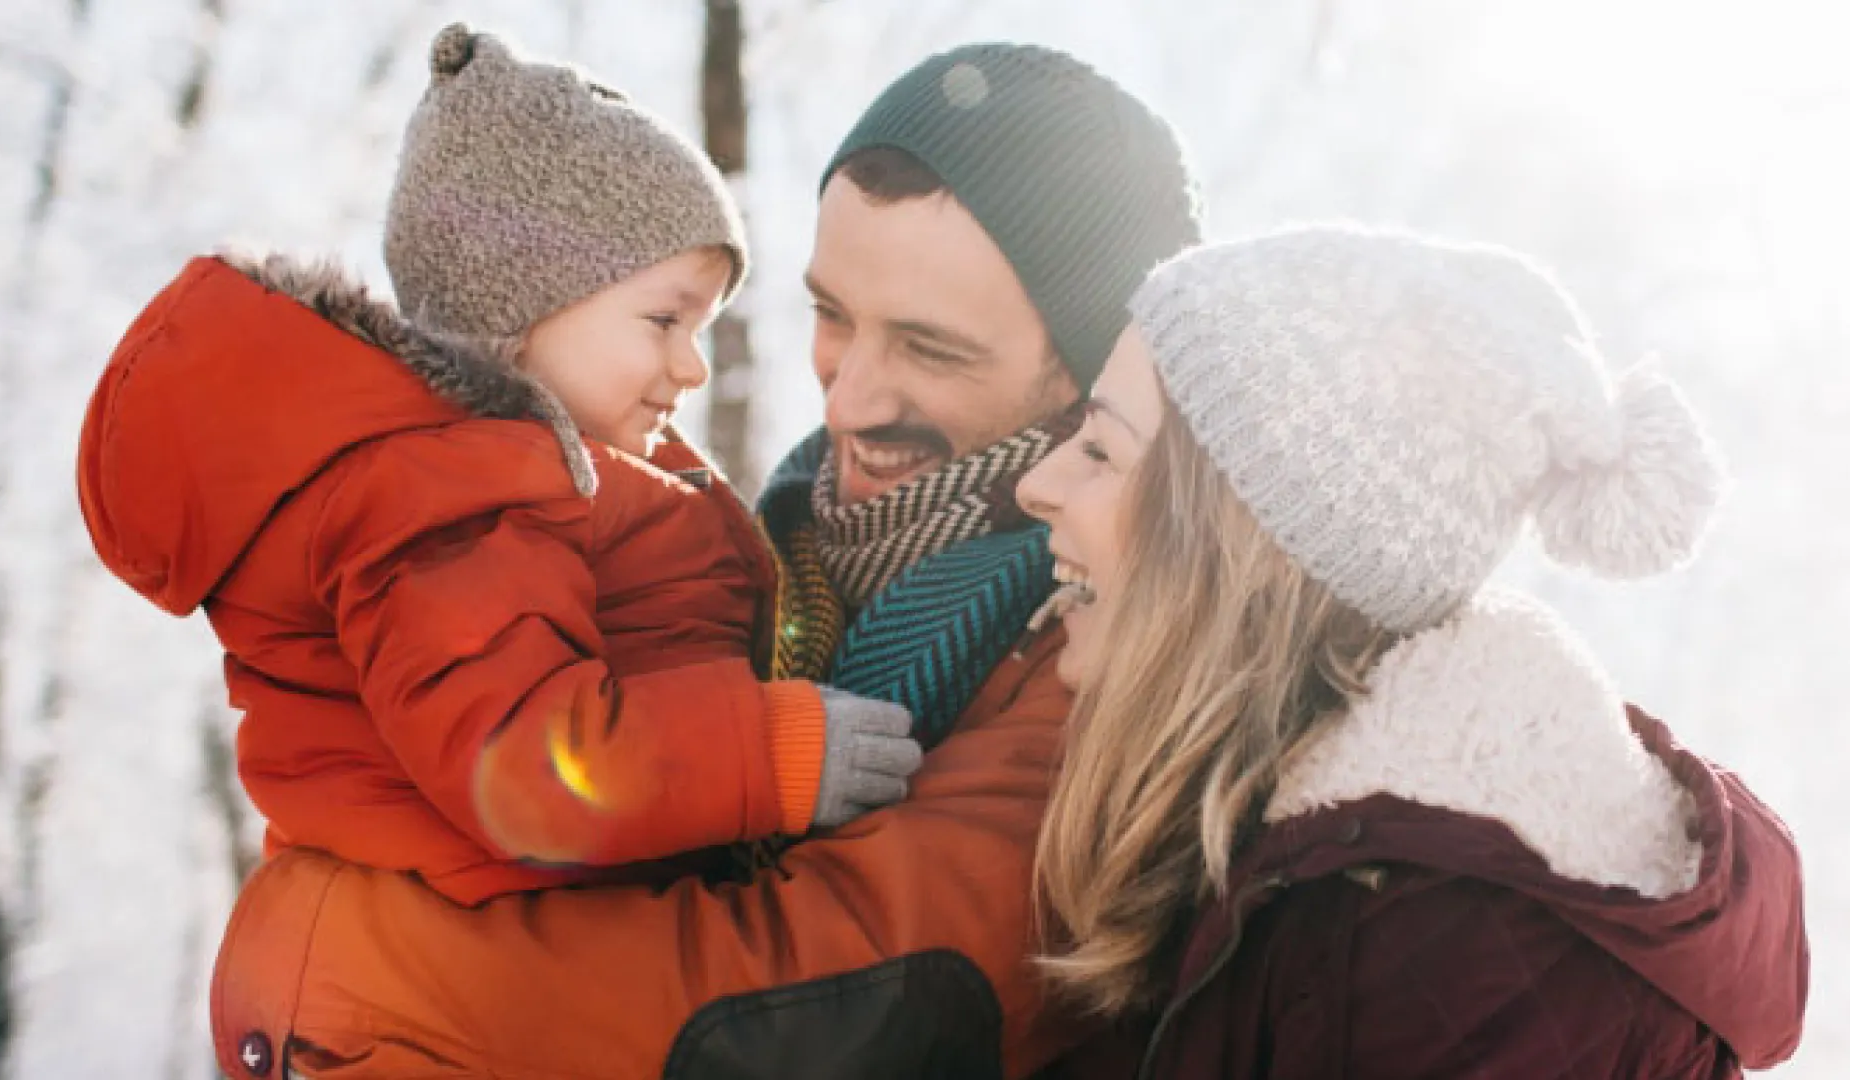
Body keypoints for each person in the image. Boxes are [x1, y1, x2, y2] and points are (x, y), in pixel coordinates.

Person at [185, 42, 1207, 1079]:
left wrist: (340, 954)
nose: (848, 401)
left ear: (1095, 376)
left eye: (932, 349)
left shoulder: (1111, 647)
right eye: (831, 316)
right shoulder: (767, 554)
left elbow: (834, 1014)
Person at [77, 16, 932, 1041]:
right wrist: (771, 753)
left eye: (702, 329)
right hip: (435, 1013)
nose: (693, 367)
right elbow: (526, 761)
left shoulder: (530, 477)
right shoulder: (446, 504)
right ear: (523, 310)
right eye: (664, 320)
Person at [1013, 226, 1811, 1078]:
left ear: (1250, 549)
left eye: (1100, 450)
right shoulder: (1285, 858)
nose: (1035, 485)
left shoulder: (1455, 965)